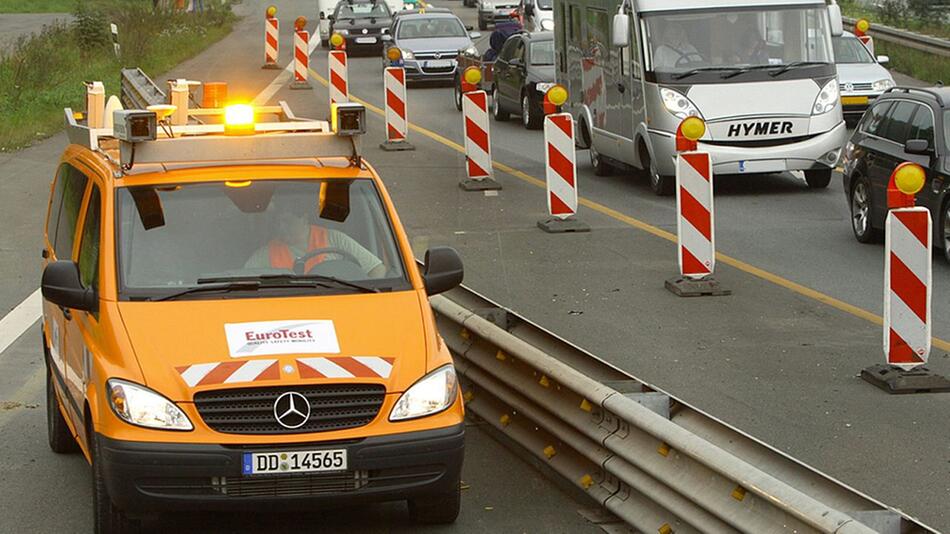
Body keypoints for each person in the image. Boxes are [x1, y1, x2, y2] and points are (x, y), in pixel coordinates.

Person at [245, 195, 386, 278]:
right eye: (278, 222)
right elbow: (243, 280)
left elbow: (377, 269)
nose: (281, 227)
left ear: (304, 219)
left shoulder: (335, 239)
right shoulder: (266, 253)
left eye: (287, 221)